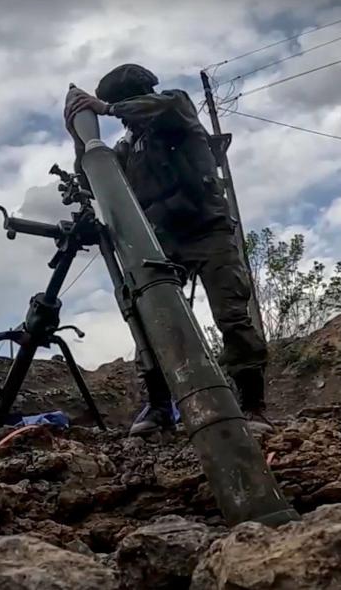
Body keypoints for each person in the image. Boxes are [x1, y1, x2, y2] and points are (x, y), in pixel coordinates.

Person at [64, 63, 270, 436]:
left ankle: (253, 406)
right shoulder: (128, 147)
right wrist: (81, 141)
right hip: (161, 241)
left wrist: (104, 109)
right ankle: (159, 406)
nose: (123, 112)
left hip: (208, 230)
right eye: (117, 104)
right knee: (151, 317)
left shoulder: (175, 108)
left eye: (124, 103)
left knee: (232, 316)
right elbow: (99, 184)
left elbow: (156, 107)